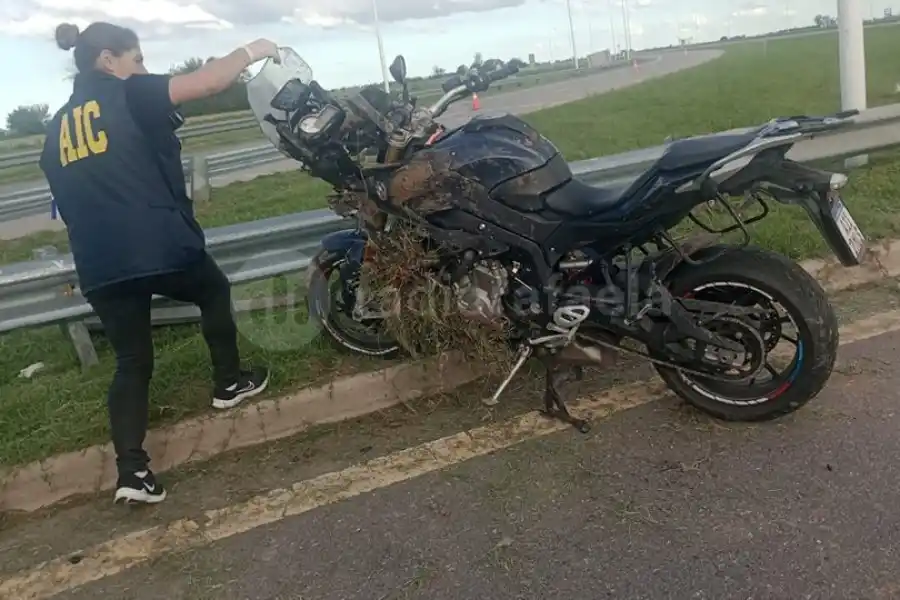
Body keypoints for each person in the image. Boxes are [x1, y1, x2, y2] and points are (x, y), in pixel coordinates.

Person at [39, 21, 281, 506]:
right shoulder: (129, 93)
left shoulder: (56, 128)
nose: (143, 68)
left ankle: (133, 472)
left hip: (98, 261)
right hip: (155, 243)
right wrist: (256, 48)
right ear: (109, 60)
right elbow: (209, 81)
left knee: (132, 361)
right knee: (212, 289)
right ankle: (229, 381)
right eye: (139, 59)